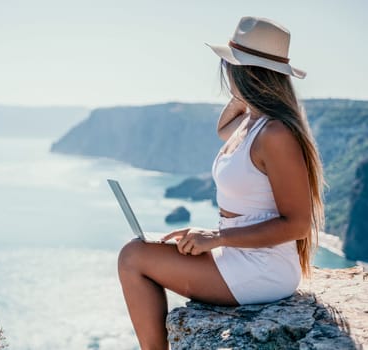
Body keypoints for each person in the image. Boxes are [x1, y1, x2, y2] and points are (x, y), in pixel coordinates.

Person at [117, 16, 325, 349]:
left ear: (243, 71)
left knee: (133, 258)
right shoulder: (252, 123)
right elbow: (223, 128)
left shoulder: (275, 134)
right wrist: (249, 91)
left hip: (262, 270)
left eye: (228, 65)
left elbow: (298, 224)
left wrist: (216, 237)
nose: (224, 71)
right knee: (138, 252)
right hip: (238, 254)